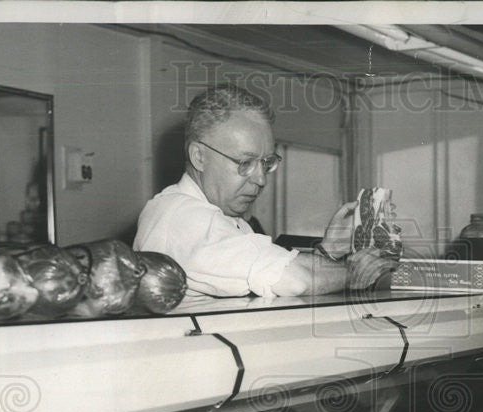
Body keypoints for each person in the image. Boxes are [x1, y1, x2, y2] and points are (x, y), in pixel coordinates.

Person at [134, 83, 393, 298]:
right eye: (244, 163)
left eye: (266, 163)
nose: (260, 179)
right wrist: (355, 271)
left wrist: (328, 253)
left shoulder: (224, 219)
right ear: (199, 157)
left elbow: (267, 272)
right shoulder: (181, 216)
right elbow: (294, 279)